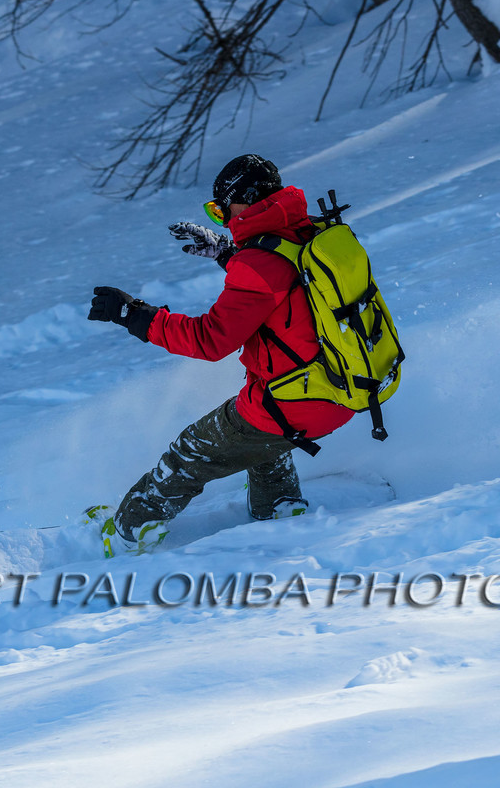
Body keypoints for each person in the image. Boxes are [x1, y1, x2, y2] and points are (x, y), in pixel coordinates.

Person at [87, 154, 355, 552]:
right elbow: (284, 285)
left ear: (244, 199)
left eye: (221, 209)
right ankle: (277, 505)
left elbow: (210, 340)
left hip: (296, 401)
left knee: (191, 451)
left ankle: (128, 530)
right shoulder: (311, 232)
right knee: (255, 425)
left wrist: (135, 315)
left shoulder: (260, 264)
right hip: (343, 389)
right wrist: (230, 254)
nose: (222, 219)